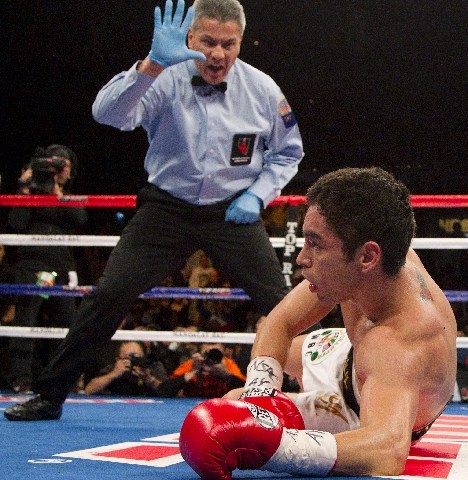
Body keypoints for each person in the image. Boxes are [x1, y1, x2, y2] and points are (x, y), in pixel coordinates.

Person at [4, 0, 302, 421]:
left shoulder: (263, 89)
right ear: (189, 38)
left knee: (285, 304)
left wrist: (258, 194)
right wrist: (152, 65)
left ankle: (327, 392)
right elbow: (107, 114)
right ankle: (49, 395)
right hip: (166, 209)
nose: (218, 54)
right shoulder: (164, 77)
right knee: (110, 294)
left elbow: (289, 153)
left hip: (232, 209)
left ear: (241, 42)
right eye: (208, 42)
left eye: (229, 44)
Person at [178, 167, 457, 478]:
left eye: (315, 244)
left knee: (232, 410)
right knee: (253, 390)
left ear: (367, 257)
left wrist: (274, 446)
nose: (302, 258)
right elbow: (280, 322)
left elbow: (386, 452)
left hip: (365, 408)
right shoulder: (369, 267)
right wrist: (260, 394)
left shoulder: (401, 341)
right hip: (349, 354)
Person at [5, 145, 88, 394]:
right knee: (26, 321)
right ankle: (20, 379)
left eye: (64, 165)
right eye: (55, 164)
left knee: (67, 323)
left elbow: (80, 220)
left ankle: (63, 380)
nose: (60, 169)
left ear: (69, 171)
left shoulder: (68, 196)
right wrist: (25, 189)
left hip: (61, 267)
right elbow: (16, 224)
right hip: (35, 268)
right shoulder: (30, 194)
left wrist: (57, 193)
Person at [155, 343, 245, 398]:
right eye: (207, 354)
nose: (211, 358)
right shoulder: (192, 364)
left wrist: (226, 374)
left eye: (215, 354)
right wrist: (192, 371)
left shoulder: (228, 365)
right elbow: (162, 391)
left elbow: (247, 392)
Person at [84, 341, 167, 396]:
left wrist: (149, 379)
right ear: (118, 359)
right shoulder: (114, 368)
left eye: (136, 356)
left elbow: (168, 391)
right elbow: (89, 390)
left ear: (143, 356)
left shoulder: (152, 366)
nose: (132, 360)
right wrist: (114, 374)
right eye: (126, 357)